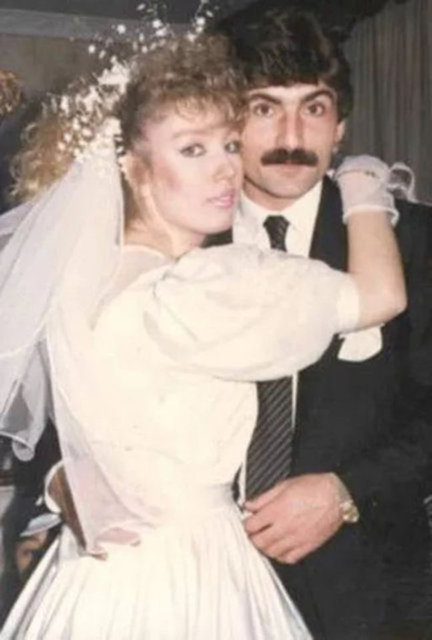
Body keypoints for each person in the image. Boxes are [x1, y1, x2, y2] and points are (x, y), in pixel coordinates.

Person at [0, 34, 404, 639]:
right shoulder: (198, 286)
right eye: (192, 149)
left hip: (98, 583)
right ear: (131, 166)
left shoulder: (82, 279)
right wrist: (367, 184)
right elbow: (381, 296)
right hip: (192, 574)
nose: (225, 168)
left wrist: (69, 480)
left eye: (229, 144)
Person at [214, 7, 432, 639]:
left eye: (313, 108)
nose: (292, 135)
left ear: (340, 127)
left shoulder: (414, 241)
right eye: (263, 108)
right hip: (206, 584)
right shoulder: (182, 240)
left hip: (370, 595)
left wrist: (345, 492)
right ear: (226, 123)